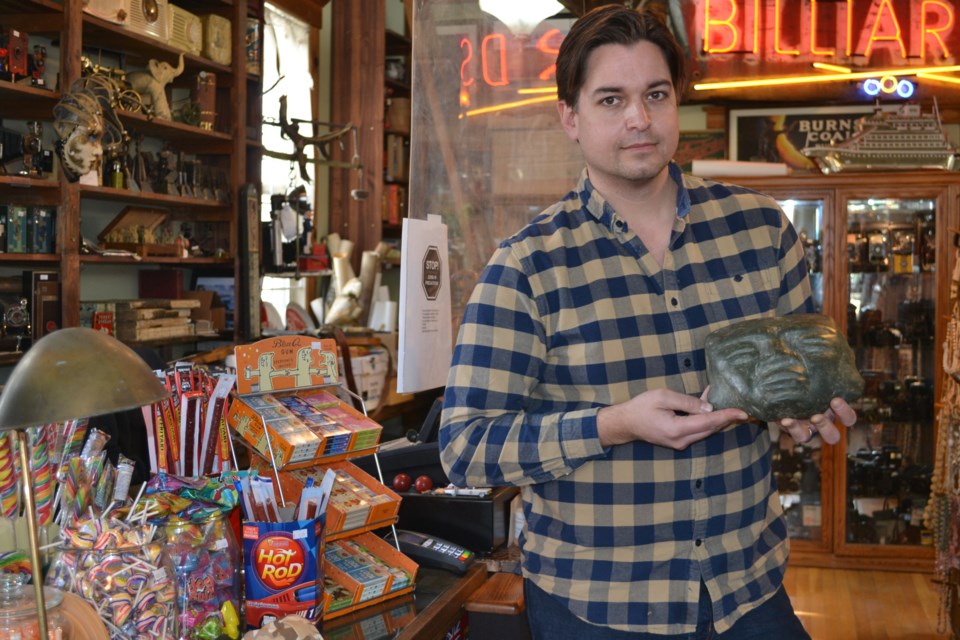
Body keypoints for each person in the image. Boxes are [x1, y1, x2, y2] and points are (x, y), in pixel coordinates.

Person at [438, 5, 857, 639]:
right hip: (598, 607)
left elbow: (803, 367)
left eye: (655, 94)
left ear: (675, 102)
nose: (639, 118)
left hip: (749, 591)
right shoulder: (527, 266)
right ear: (570, 118)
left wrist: (808, 409)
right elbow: (465, 448)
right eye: (611, 99)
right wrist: (613, 425)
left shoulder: (763, 230)